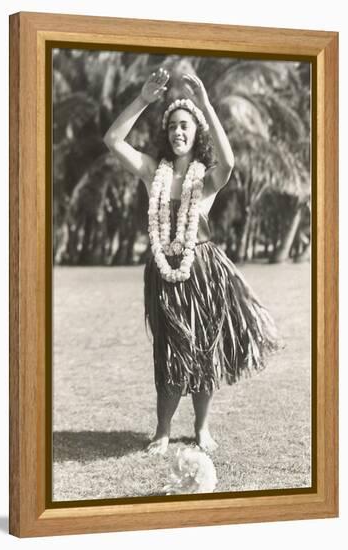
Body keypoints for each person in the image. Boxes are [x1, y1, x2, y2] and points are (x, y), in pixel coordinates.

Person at [104, 67, 277, 455]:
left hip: (203, 273)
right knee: (167, 351)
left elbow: (229, 162)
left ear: (197, 132)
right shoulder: (153, 173)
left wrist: (206, 106)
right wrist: (144, 100)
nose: (178, 132)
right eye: (172, 127)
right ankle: (162, 429)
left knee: (203, 349)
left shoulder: (206, 180)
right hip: (164, 273)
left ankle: (201, 428)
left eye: (185, 126)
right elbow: (113, 140)